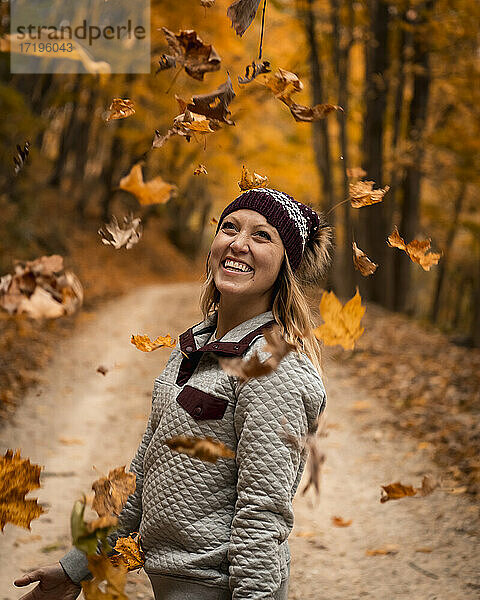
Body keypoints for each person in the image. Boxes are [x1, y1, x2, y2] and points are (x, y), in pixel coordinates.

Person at [14, 188, 332, 600]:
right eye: (230, 227)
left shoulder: (275, 369)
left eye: (262, 236)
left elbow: (262, 519)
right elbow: (143, 474)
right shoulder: (194, 347)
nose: (238, 243)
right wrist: (78, 567)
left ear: (285, 267)